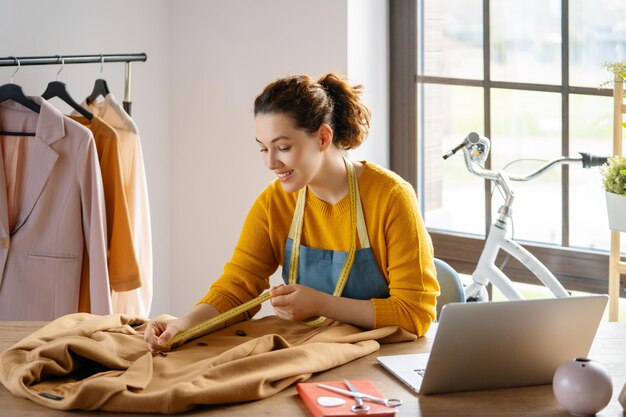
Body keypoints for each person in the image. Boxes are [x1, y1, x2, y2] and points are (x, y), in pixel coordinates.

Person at [145, 73, 439, 353]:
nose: (271, 163)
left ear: (323, 138)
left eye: (282, 147)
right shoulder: (275, 202)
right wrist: (183, 324)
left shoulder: (390, 198)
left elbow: (415, 313)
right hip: (307, 350)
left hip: (379, 357)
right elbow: (237, 287)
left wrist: (323, 304)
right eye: (263, 149)